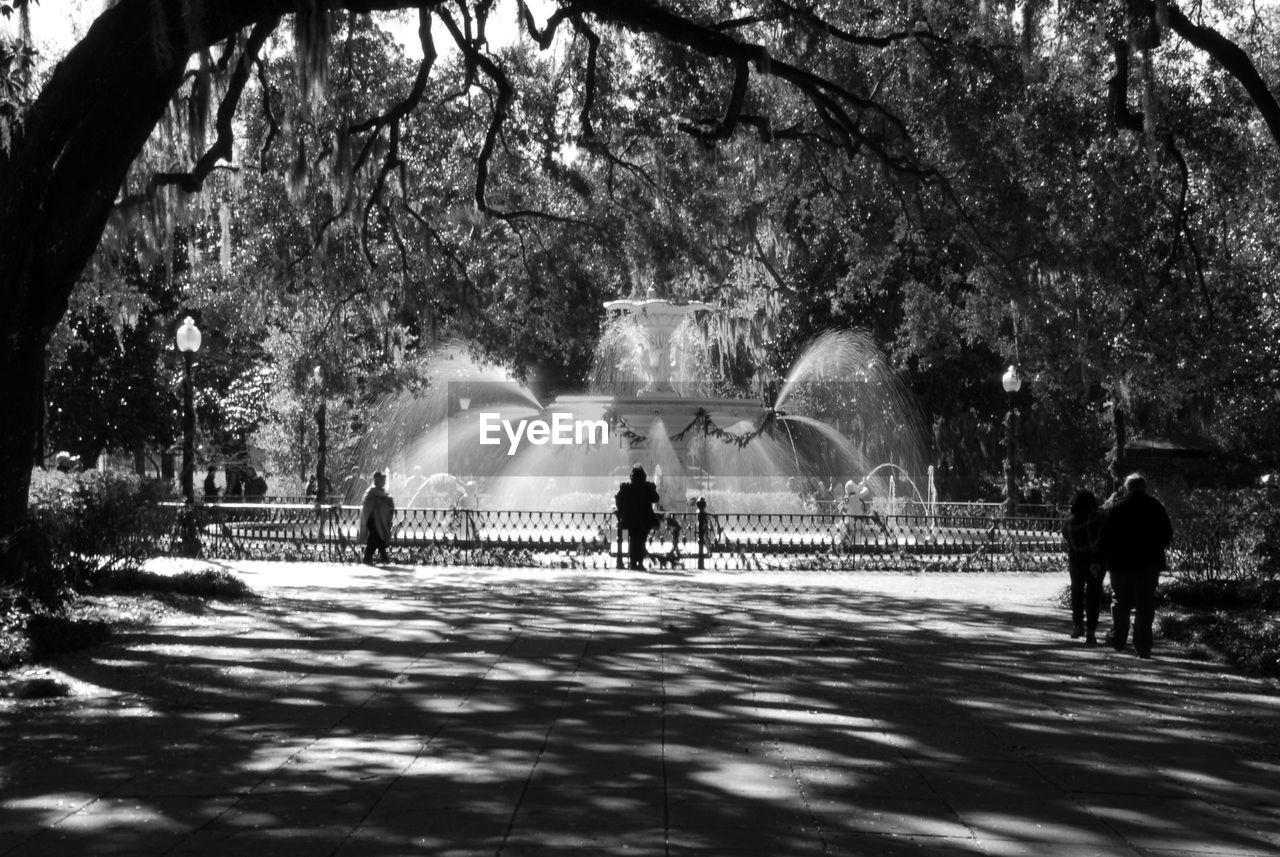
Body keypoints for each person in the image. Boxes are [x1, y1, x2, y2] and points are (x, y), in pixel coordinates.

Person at [1097, 473, 1173, 658]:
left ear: (1127, 487)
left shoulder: (1114, 508)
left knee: (1120, 601)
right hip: (1148, 564)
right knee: (1145, 604)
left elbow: (1103, 538)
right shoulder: (1156, 507)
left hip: (1120, 563)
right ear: (1144, 487)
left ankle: (1119, 639)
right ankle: (1143, 646)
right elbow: (1167, 534)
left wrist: (1099, 560)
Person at [1062, 490, 1104, 644]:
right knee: (1093, 594)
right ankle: (1091, 632)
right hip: (1095, 561)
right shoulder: (1097, 519)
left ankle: (1077, 625)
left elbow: (1065, 535)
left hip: (1076, 560)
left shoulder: (1070, 521)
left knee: (1077, 592)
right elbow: (1102, 537)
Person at [614, 464, 660, 571]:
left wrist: (621, 511)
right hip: (644, 519)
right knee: (641, 540)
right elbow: (656, 498)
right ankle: (639, 562)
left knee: (633, 540)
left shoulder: (626, 487)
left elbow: (618, 499)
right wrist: (653, 489)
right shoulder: (647, 487)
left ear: (632, 477)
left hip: (630, 519)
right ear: (644, 476)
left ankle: (633, 562)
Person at [358, 471, 396, 565]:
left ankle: (368, 558)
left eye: (384, 479)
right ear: (377, 480)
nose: (384, 481)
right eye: (382, 479)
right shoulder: (373, 490)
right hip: (372, 519)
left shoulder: (379, 490)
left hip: (378, 520)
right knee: (376, 538)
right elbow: (368, 504)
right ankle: (383, 558)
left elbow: (385, 499)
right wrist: (381, 500)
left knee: (375, 539)